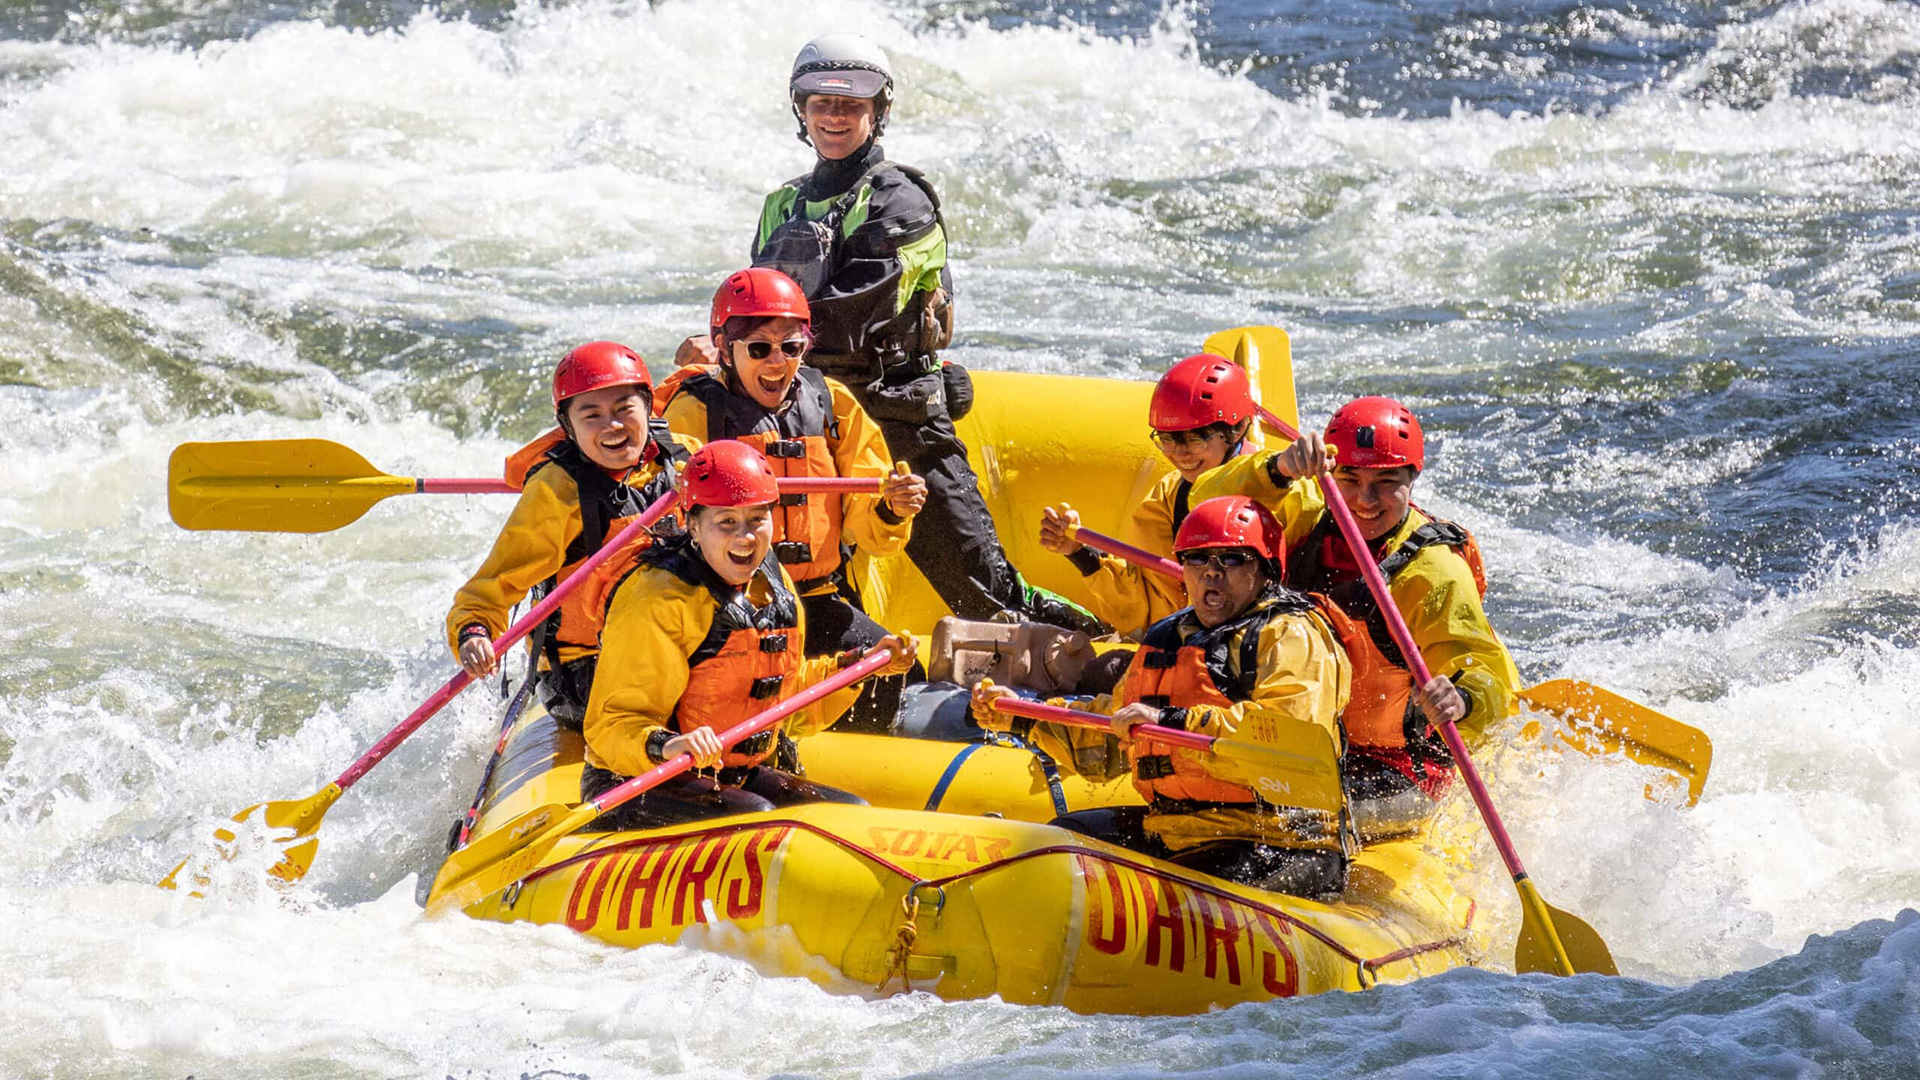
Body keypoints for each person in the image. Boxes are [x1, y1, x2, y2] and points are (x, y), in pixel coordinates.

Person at [678, 31, 1101, 635]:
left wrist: (746, 346)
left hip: (897, 423)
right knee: (809, 591)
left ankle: (1101, 651)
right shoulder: (782, 205)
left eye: (851, 104)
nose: (835, 116)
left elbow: (856, 318)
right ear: (800, 111)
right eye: (821, 103)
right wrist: (722, 346)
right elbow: (753, 304)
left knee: (985, 591)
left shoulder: (901, 200)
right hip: (802, 421)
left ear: (877, 113)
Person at [972, 496, 1354, 898]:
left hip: (1279, 842)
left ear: (1264, 570)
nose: (1212, 573)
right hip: (1175, 831)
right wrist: (1024, 717)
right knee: (1052, 850)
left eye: (1231, 560)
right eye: (1197, 560)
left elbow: (1285, 737)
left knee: (1181, 897)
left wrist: (1173, 723)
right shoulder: (1166, 638)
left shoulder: (1292, 634)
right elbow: (1110, 737)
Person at [1192, 396, 1520, 838]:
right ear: (1331, 473)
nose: (1364, 499)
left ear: (1412, 478)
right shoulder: (1307, 516)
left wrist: (1463, 699)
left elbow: (1484, 671)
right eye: (1349, 477)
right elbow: (1204, 504)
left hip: (1401, 766)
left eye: (1386, 482)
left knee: (1282, 822)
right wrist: (1277, 469)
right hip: (1312, 745)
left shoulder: (1432, 572)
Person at [580, 440, 919, 829]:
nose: (746, 538)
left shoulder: (773, 585)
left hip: (733, 775)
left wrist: (859, 666)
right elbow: (611, 726)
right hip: (637, 781)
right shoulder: (657, 598)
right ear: (692, 524)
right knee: (758, 819)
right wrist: (670, 744)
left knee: (850, 813)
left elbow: (786, 705)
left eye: (757, 519)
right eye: (727, 522)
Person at [657, 266, 929, 731]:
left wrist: (889, 508)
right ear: (724, 348)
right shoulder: (694, 409)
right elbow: (671, 508)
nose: (778, 362)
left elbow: (872, 526)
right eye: (760, 348)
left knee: (899, 676)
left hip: (817, 599)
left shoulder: (831, 402)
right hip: (728, 605)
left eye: (792, 347)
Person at [447, 342, 697, 728]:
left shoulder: (684, 459)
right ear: (568, 426)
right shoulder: (557, 491)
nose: (612, 426)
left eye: (624, 409)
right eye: (591, 415)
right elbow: (494, 583)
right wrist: (474, 631)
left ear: (648, 408)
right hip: (587, 669)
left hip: (676, 650)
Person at [1036, 353, 1257, 640]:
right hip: (1193, 644)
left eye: (1193, 438)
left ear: (1238, 428)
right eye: (1167, 439)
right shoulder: (1167, 498)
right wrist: (1079, 554)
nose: (1179, 453)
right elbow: (1151, 606)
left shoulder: (1273, 492)